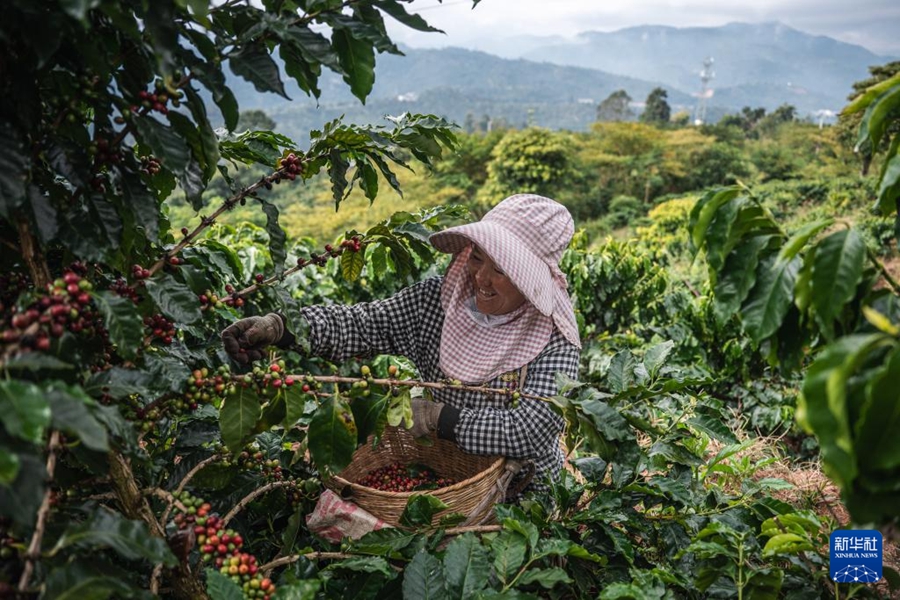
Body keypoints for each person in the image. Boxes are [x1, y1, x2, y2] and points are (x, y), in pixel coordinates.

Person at [221, 194, 582, 493]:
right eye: (476, 258)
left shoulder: (554, 340)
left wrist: (440, 417)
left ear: (530, 282)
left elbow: (530, 429)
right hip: (445, 477)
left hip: (522, 493)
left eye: (500, 270)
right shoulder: (435, 304)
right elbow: (362, 324)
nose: (481, 278)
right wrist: (283, 328)